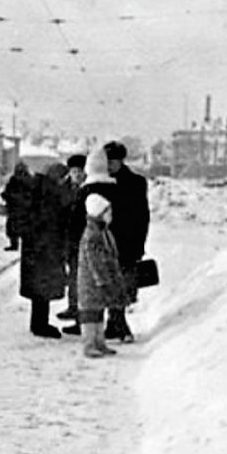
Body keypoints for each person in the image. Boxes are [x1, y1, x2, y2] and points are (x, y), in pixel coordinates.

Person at [103, 140, 149, 343]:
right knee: (109, 284)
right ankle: (114, 325)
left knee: (121, 285)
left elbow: (142, 216)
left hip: (126, 241)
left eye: (113, 161)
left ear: (121, 161)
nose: (109, 165)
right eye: (107, 161)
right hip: (105, 240)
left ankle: (120, 325)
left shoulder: (135, 182)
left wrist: (139, 244)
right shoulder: (101, 182)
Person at [76, 165, 125, 358]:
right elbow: (94, 261)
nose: (110, 216)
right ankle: (89, 344)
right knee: (90, 315)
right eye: (107, 212)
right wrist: (101, 279)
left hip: (99, 281)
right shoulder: (92, 236)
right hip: (92, 282)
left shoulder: (102, 232)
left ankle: (99, 342)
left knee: (98, 313)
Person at [20, 164, 68, 338]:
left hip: (35, 248)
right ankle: (40, 325)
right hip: (45, 248)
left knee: (39, 290)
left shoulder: (37, 187)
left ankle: (38, 323)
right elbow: (52, 221)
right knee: (43, 289)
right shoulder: (50, 193)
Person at [56, 153, 88, 335]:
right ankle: (73, 308)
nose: (77, 174)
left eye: (80, 171)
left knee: (82, 280)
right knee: (73, 277)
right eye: (74, 171)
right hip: (68, 241)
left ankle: (81, 318)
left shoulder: (89, 188)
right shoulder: (63, 188)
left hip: (84, 240)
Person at [0, 162, 33, 251]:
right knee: (15, 228)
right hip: (19, 208)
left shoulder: (24, 180)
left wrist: (8, 196)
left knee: (15, 228)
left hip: (19, 208)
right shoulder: (26, 179)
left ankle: (16, 245)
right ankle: (17, 245)